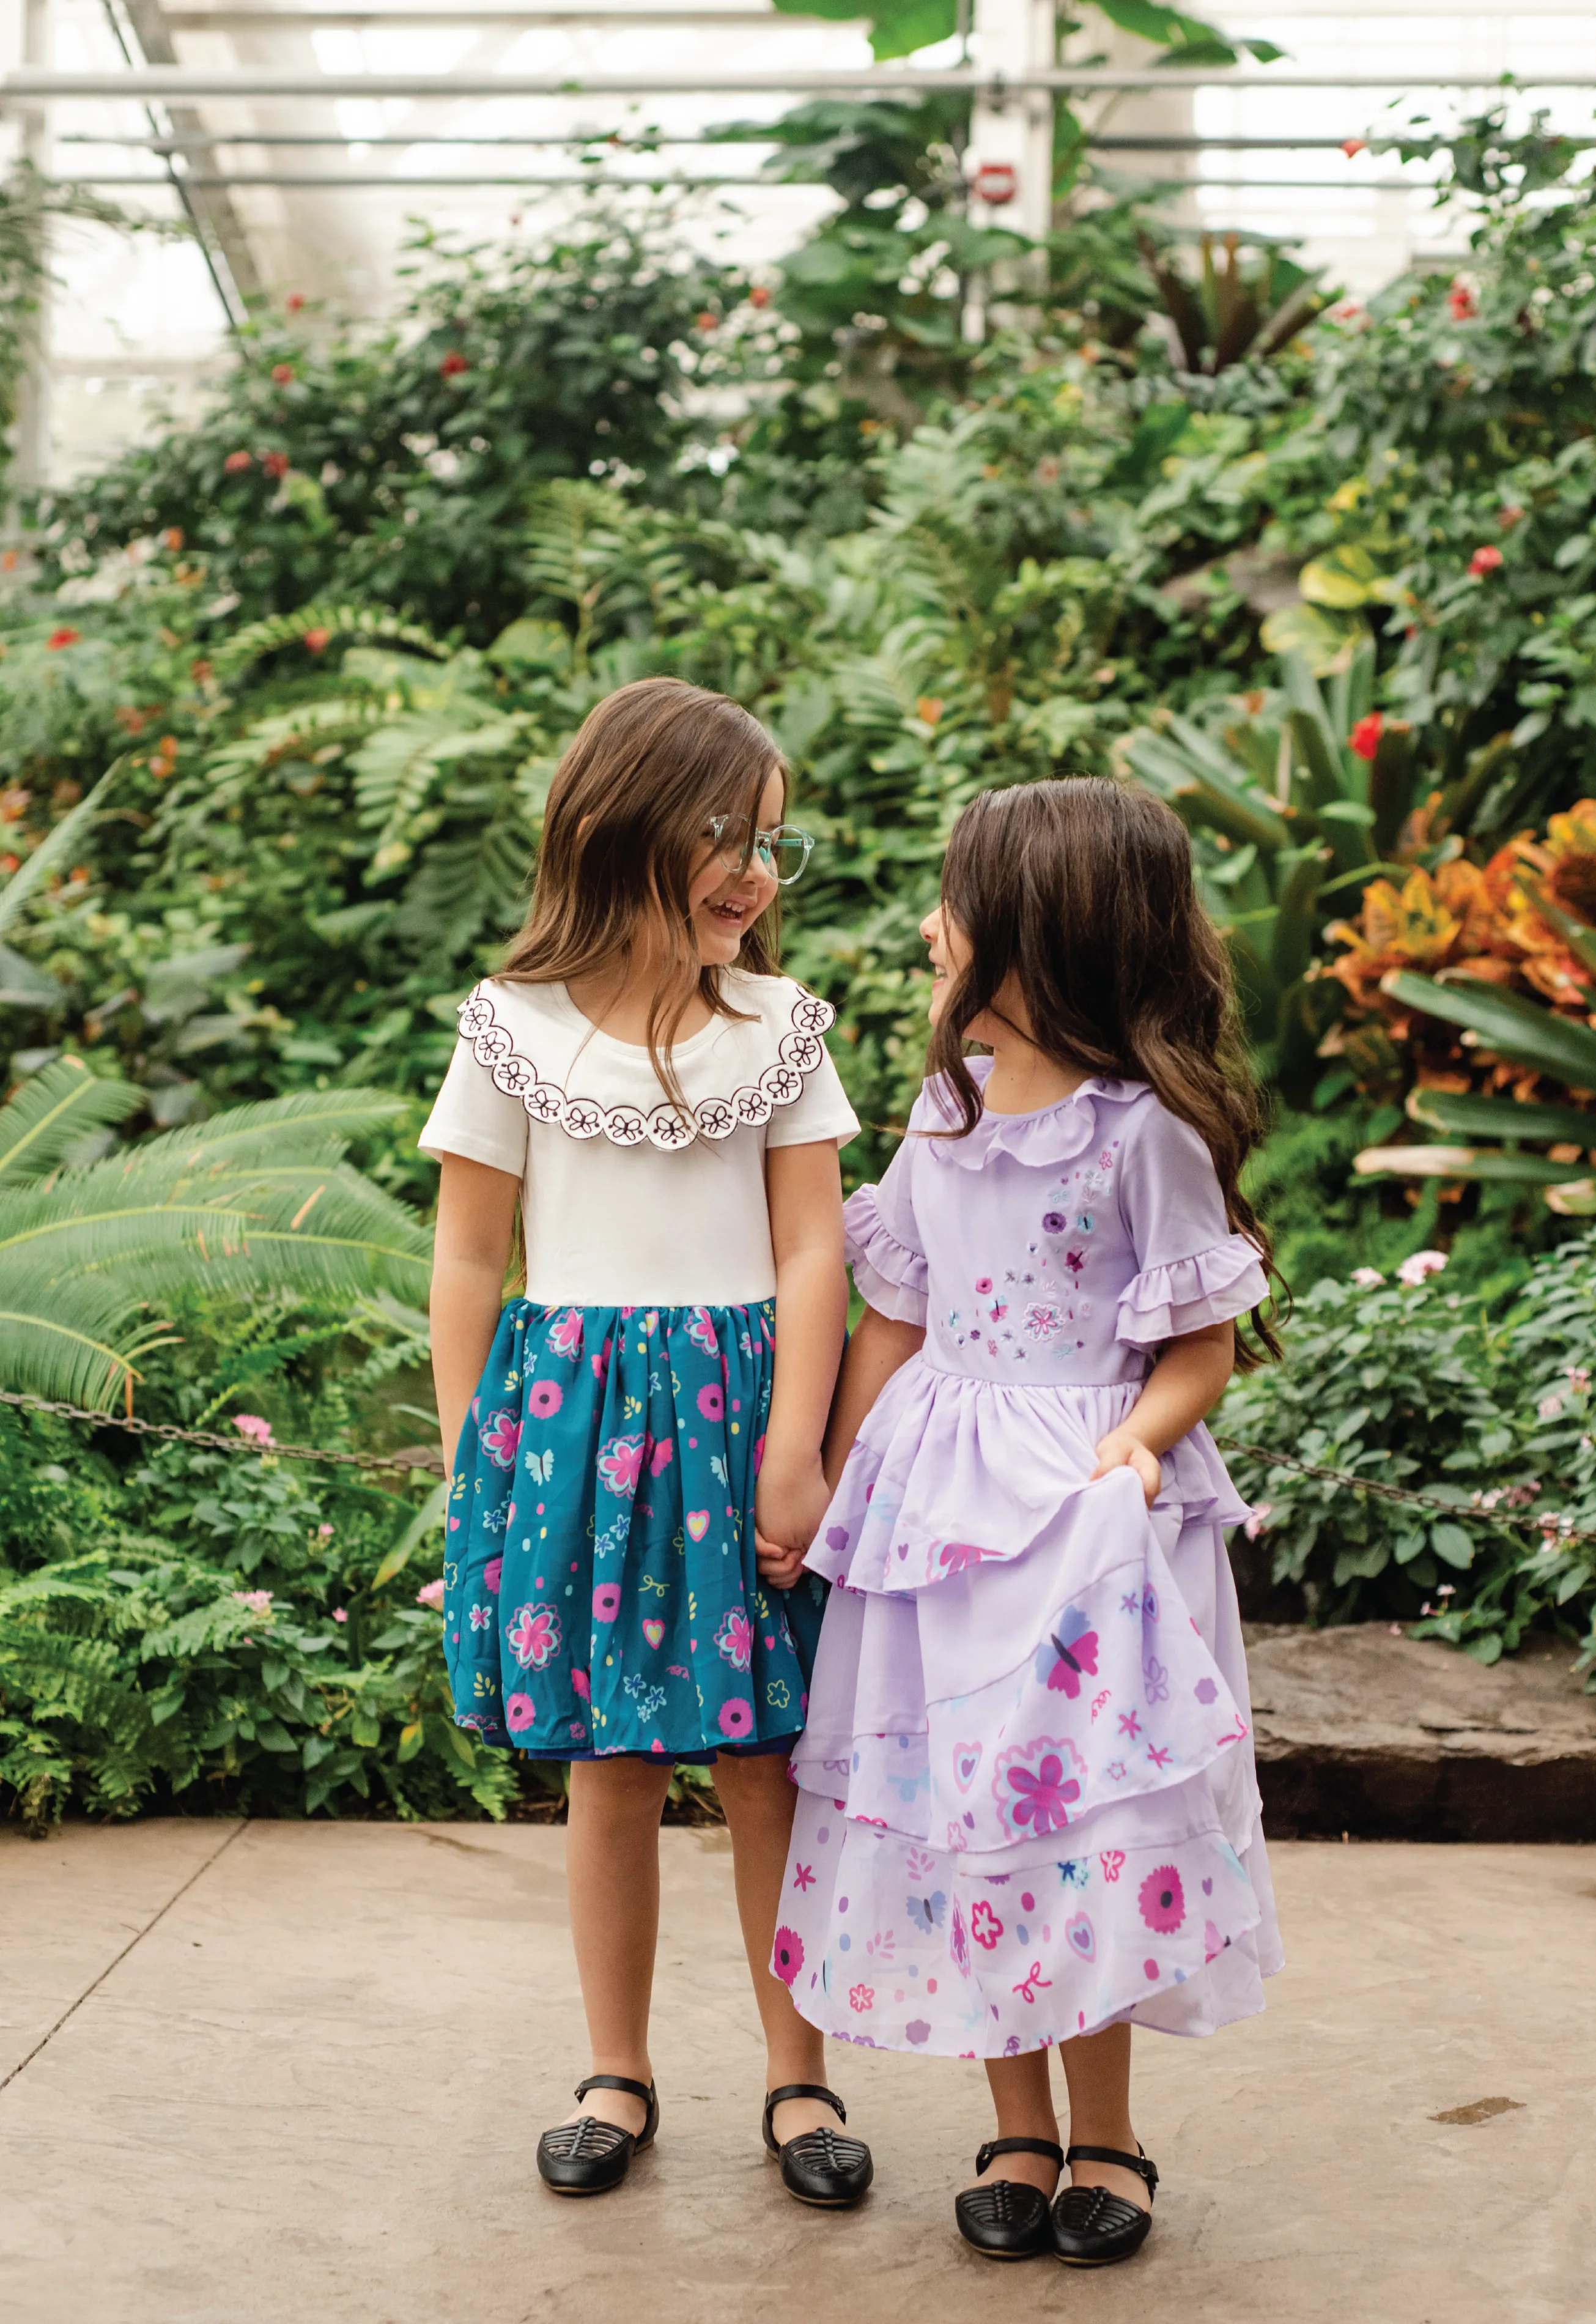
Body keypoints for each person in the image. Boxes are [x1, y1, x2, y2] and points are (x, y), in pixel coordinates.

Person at [767, 777, 1284, 2268]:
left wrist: (1130, 1451)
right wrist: (824, 1465)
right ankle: (1016, 2123)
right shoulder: (948, 1114)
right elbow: (897, 1311)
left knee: (1086, 1816)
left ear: (1044, 932)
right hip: (942, 1511)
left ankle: (1106, 2130)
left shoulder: (1147, 1137)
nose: (932, 928)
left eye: (960, 903)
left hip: (1088, 1519)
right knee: (966, 1806)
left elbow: (1203, 1345)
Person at [423, 676, 874, 2208]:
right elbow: (471, 1260)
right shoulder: (512, 1030)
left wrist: (798, 1447)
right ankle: (616, 2070)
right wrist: (468, 1455)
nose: (757, 871)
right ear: (621, 831)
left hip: (748, 1420)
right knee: (607, 1763)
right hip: (568, 1426)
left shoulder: (779, 1028)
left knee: (767, 1761)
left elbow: (814, 1251)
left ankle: (797, 2074)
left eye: (771, 843)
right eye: (727, 837)